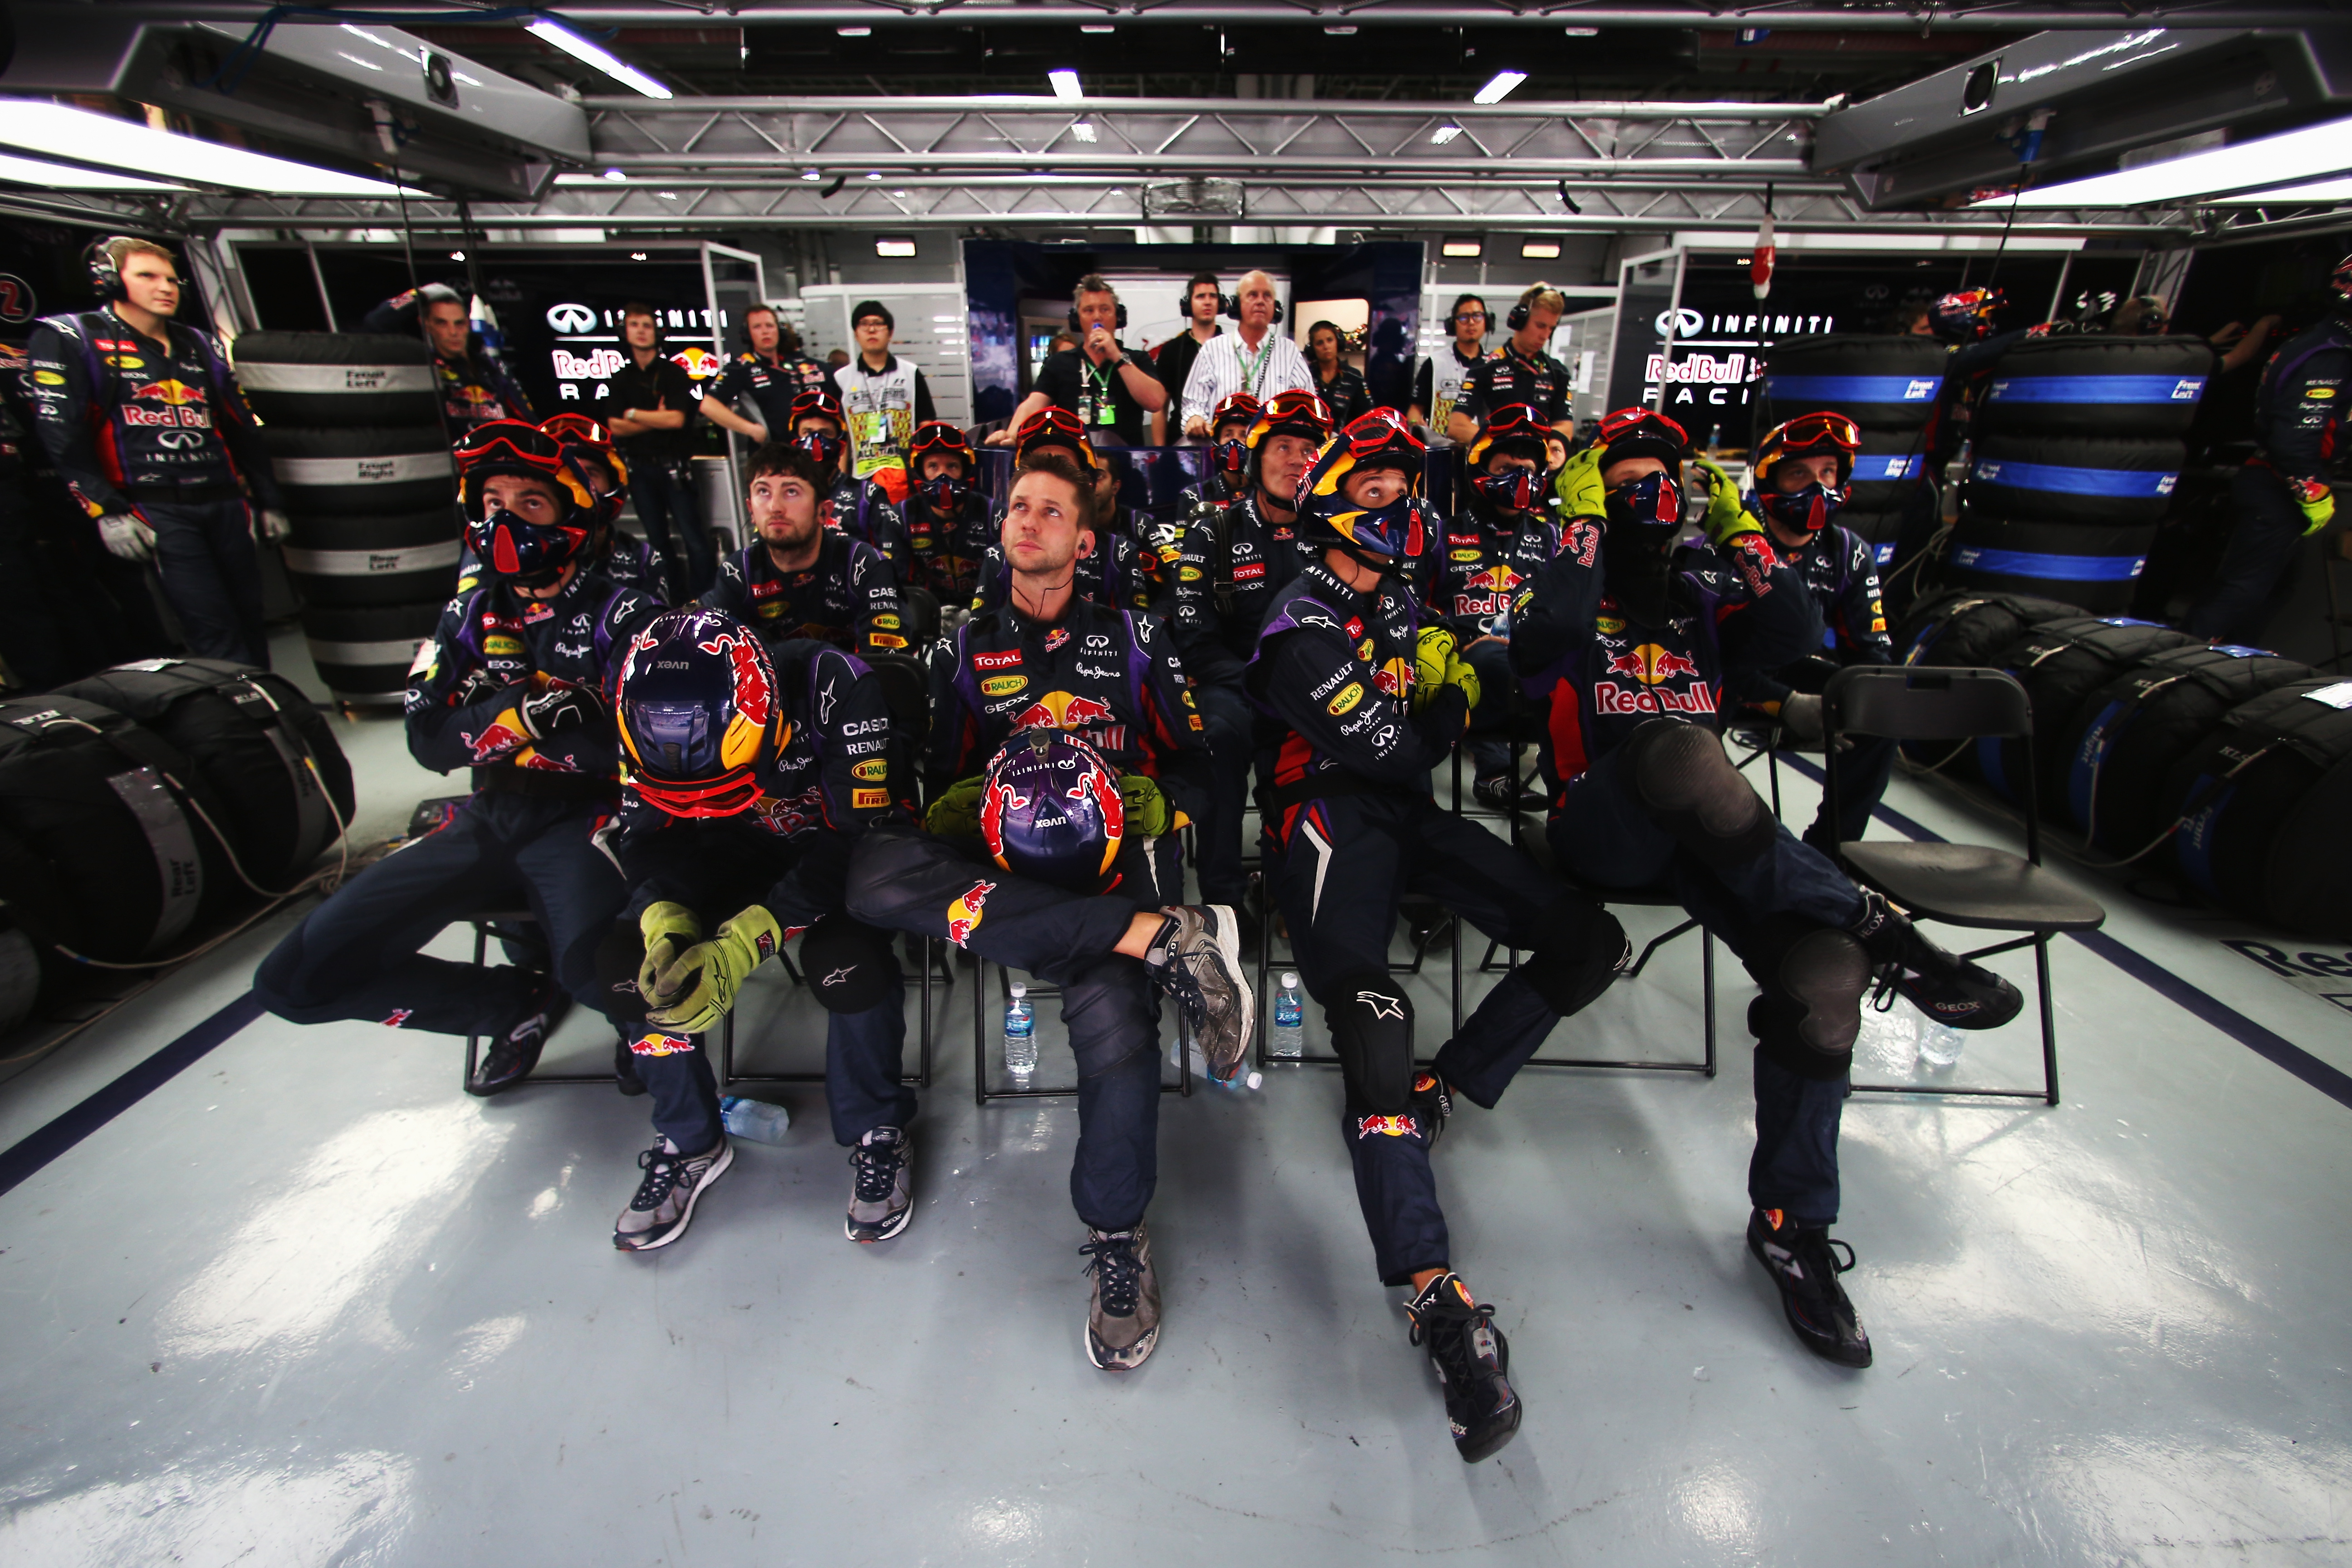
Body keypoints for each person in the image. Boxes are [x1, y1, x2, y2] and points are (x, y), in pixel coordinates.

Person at [1513, 406, 2025, 1371]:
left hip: (1708, 848)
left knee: (1824, 979)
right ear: (1590, 499)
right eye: (1625, 485)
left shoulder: (1703, 587)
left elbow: (1794, 630)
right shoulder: (1563, 577)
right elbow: (1546, 641)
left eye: (1662, 482)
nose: (1648, 497)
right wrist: (1579, 528)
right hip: (1598, 826)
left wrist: (1741, 527)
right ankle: (1884, 926)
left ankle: (1792, 1227)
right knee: (1674, 746)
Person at [1243, 407, 1628, 1463]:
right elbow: (1398, 743)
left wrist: (1451, 684)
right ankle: (1436, 1297)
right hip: (1324, 818)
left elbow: (1464, 667)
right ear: (1330, 501)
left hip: (1405, 817)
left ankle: (1441, 1088)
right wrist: (1450, 701)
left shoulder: (1403, 598)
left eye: (1404, 488)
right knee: (1375, 1017)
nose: (1398, 503)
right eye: (1374, 487)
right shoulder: (1296, 618)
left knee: (1589, 941)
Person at [847, 451, 1252, 1372]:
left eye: (1050, 511)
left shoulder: (1137, 636)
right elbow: (939, 790)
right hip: (1009, 884)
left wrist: (1159, 802)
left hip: (1114, 873)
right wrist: (964, 807)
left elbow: (1202, 767)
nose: (1027, 522)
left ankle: (1116, 1233)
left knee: (1111, 1019)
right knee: (872, 877)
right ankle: (1165, 943)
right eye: (1017, 507)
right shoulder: (962, 649)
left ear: (1084, 541)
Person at [252, 419, 661, 1093]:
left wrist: (489, 718)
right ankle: (511, 1006)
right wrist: (529, 713)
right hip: (487, 815)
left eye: (530, 502)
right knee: (292, 982)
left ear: (571, 513)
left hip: (592, 819)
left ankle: (631, 1027)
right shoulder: (466, 615)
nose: (507, 520)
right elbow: (426, 740)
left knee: (604, 978)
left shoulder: (627, 609)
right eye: (494, 502)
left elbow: (633, 747)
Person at [599, 607, 911, 1251]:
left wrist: (747, 942)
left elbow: (860, 840)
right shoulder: (636, 697)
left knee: (849, 966)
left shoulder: (838, 687)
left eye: (720, 785)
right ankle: (690, 1140)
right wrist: (665, 919)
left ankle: (877, 1129)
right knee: (631, 971)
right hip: (726, 854)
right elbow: (644, 839)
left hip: (835, 851)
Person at [28, 235, 291, 669]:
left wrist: (268, 500)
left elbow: (241, 426)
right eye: (147, 276)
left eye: (171, 279)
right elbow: (61, 435)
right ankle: (240, 708)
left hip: (225, 500)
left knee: (250, 615)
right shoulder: (73, 337)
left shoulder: (201, 343)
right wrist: (105, 510)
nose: (165, 287)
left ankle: (270, 699)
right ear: (110, 280)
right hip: (154, 507)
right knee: (212, 624)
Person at [1167, 388, 1332, 924]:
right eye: (1283, 447)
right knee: (1220, 737)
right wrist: (1262, 686)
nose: (1297, 459)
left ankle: (1294, 881)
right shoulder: (1212, 530)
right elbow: (1194, 639)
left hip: (1317, 686)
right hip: (1234, 686)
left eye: (1308, 449)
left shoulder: (1337, 533)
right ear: (1256, 459)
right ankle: (1223, 899)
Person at [1710, 412, 1896, 853]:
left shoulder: (1850, 554)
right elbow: (1705, 653)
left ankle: (1831, 854)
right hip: (1719, 670)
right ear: (1769, 479)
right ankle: (1714, 841)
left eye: (1827, 472)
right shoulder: (1730, 542)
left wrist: (1861, 701)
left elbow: (1872, 656)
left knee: (1881, 707)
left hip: (1794, 667)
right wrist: (1785, 702)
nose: (1817, 487)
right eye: (1799, 474)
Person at [2188, 255, 2352, 645]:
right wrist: (2313, 491)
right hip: (2277, 485)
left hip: (2276, 484)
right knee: (2243, 590)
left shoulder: (2323, 341)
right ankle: (2177, 665)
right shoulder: (2331, 352)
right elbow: (2295, 437)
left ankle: (2234, 663)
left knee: (2274, 588)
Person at [1434, 404, 1560, 813]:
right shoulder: (1443, 533)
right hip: (1463, 658)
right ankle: (1494, 775)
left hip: (1532, 658)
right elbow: (1414, 607)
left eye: (1528, 470)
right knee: (1487, 658)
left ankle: (1573, 783)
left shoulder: (1552, 536)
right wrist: (1456, 641)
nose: (1520, 479)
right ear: (1481, 468)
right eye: (1507, 468)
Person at [702, 441, 904, 662]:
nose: (775, 507)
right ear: (751, 510)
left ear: (823, 512)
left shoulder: (864, 565)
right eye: (763, 491)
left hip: (853, 681)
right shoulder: (737, 573)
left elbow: (887, 666)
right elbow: (719, 661)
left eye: (791, 492)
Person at [454, 413, 669, 604]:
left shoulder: (642, 558)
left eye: (589, 474)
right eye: (571, 477)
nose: (582, 485)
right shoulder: (493, 549)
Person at [970, 409, 1155, 617]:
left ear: (1087, 483)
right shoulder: (997, 558)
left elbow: (1137, 633)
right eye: (1039, 462)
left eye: (1062, 466)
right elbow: (981, 632)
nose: (1047, 477)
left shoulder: (1120, 555)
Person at [597, 302, 715, 601]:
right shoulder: (620, 378)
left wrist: (634, 414)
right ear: (625, 332)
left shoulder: (674, 373)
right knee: (658, 542)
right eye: (634, 325)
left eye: (647, 325)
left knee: (695, 539)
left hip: (674, 466)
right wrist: (654, 417)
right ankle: (673, 601)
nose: (641, 331)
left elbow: (675, 420)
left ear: (658, 332)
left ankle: (707, 600)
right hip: (639, 469)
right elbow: (615, 426)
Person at [992, 274, 1167, 449]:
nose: (1097, 317)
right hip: (1075, 460)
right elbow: (1032, 405)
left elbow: (1155, 402)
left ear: (1118, 317)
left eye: (1105, 309)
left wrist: (1117, 356)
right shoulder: (1060, 362)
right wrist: (1012, 435)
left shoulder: (1136, 360)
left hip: (1125, 460)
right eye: (1089, 311)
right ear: (1077, 319)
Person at [361, 281, 535, 433]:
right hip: (448, 457)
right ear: (427, 325)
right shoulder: (423, 366)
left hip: (498, 456)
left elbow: (528, 420)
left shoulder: (491, 366)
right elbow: (375, 324)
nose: (453, 332)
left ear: (468, 324)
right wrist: (420, 295)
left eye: (459, 323)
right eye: (442, 323)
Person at [786, 389, 911, 582]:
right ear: (795, 441)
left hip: (856, 592)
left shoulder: (868, 495)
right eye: (808, 433)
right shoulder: (780, 498)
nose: (816, 442)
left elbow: (893, 562)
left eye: (825, 433)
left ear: (841, 444)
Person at [1181, 270, 1312, 435]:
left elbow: (1308, 405)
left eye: (1267, 296)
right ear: (1237, 305)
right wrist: (1195, 418)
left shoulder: (1289, 352)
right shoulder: (1212, 350)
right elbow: (1192, 403)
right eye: (1253, 295)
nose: (1260, 301)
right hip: (1224, 446)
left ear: (1275, 307)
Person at [1447, 282, 1572, 446]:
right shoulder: (1485, 368)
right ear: (1519, 321)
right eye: (1540, 326)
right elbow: (1457, 426)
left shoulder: (1558, 372)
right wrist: (1500, 446)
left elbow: (1565, 427)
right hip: (1495, 457)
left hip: (1540, 458)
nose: (1545, 336)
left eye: (1551, 329)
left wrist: (1548, 447)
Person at [833, 300, 936, 493]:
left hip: (906, 477)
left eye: (878, 324)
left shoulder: (911, 374)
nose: (872, 330)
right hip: (861, 478)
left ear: (890, 333)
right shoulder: (841, 379)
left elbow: (926, 425)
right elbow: (842, 437)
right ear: (856, 334)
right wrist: (841, 486)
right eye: (864, 324)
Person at [701, 304, 829, 446]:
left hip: (803, 449)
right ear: (748, 334)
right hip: (769, 452)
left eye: (770, 326)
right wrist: (750, 429)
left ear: (779, 331)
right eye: (757, 327)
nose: (765, 332)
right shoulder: (741, 367)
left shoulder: (794, 364)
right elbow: (708, 405)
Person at [900, 420, 996, 608]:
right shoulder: (900, 518)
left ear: (965, 469)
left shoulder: (995, 514)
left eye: (952, 466)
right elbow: (897, 588)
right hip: (928, 613)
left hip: (984, 613)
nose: (942, 477)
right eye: (933, 467)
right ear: (919, 471)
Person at [1409, 294, 1491, 435]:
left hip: (1482, 445)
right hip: (1440, 444)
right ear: (1453, 324)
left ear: (1487, 322)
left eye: (1477, 316)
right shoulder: (1435, 363)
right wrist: (1415, 424)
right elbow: (1415, 410)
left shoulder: (1494, 366)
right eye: (1464, 318)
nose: (1471, 323)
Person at [1153, 273, 1225, 421]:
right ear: (1188, 304)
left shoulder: (1231, 347)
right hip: (1181, 432)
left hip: (1223, 430)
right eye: (1201, 297)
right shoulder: (1171, 350)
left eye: (1213, 296)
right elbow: (1160, 407)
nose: (1208, 302)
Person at [1305, 320, 1372, 425]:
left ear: (1338, 342)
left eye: (1330, 340)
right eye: (1320, 343)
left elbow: (1367, 416)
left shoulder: (1354, 377)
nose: (1326, 347)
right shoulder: (1305, 375)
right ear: (1312, 349)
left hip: (1343, 434)